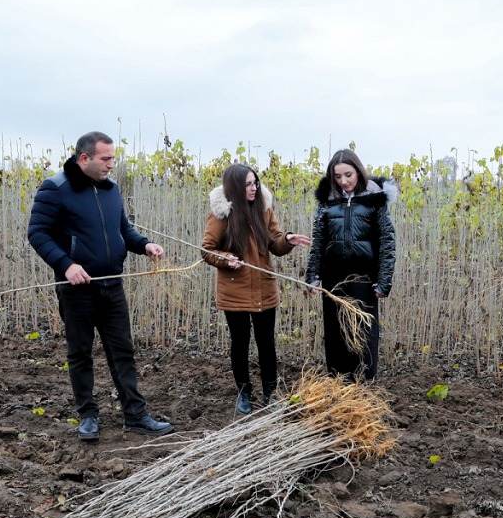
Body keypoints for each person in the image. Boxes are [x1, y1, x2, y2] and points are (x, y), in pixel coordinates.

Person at [27, 131, 174, 441]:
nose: (111, 164)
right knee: (80, 353)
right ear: (84, 158)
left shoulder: (111, 190)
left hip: (112, 285)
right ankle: (88, 416)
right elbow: (38, 233)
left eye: (113, 158)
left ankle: (135, 415)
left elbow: (123, 230)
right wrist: (66, 265)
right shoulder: (55, 189)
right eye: (106, 159)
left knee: (123, 351)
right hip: (77, 289)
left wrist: (144, 245)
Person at [201, 163, 311, 414]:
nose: (254, 188)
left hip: (264, 288)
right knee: (239, 344)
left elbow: (275, 243)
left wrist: (288, 240)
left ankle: (271, 391)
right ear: (235, 188)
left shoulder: (264, 210)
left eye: (255, 183)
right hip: (235, 291)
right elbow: (207, 250)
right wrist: (226, 259)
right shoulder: (222, 214)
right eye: (248, 184)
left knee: (266, 342)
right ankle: (244, 392)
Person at [306, 149, 397, 381]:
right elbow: (318, 241)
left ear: (358, 171)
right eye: (337, 177)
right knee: (336, 330)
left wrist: (384, 281)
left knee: (364, 331)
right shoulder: (327, 202)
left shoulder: (374, 199)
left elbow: (387, 241)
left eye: (348, 175)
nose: (344, 181)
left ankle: (364, 383)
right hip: (333, 278)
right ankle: (338, 383)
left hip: (364, 279)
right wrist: (313, 275)